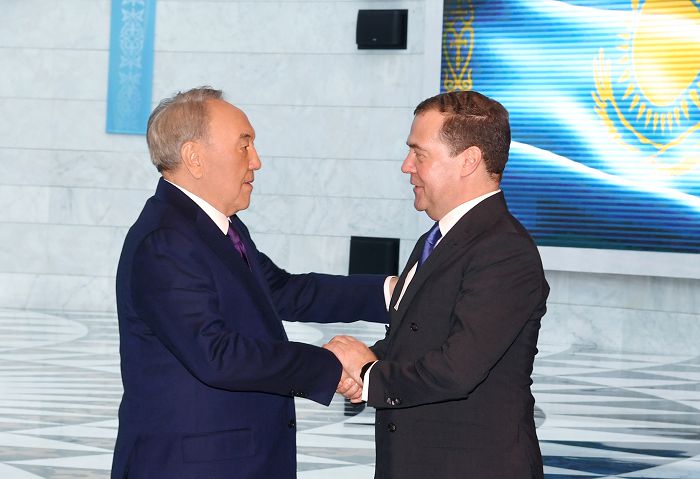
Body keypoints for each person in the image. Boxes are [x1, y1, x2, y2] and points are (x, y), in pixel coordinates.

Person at [111, 87, 388, 478]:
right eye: (244, 146)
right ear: (194, 158)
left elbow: (284, 291)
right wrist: (328, 365)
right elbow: (216, 355)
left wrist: (391, 293)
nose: (256, 161)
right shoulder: (165, 241)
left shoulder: (216, 227)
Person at [326, 90, 549, 478]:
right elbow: (416, 340)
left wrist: (368, 375)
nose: (406, 166)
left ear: (469, 161)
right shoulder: (438, 239)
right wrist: (359, 362)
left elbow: (457, 369)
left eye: (419, 153)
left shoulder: (505, 251)